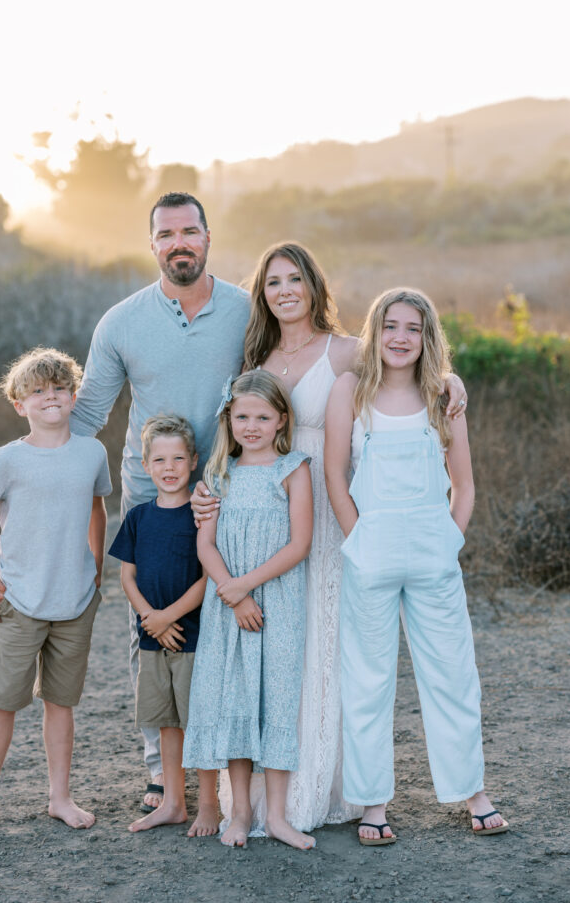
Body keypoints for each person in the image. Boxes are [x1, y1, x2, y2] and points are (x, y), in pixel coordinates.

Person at [192, 243, 468, 835]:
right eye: (273, 282)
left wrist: (452, 377)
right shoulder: (255, 354)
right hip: (273, 510)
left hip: (339, 509)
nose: (285, 290)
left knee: (329, 646)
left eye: (296, 279)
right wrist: (206, 490)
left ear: (316, 286)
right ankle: (271, 797)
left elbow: (409, 360)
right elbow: (239, 429)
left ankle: (332, 787)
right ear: (263, 294)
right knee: (277, 644)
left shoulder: (347, 350)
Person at [69, 191, 250, 811]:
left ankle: (222, 766)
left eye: (189, 231)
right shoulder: (121, 322)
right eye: (166, 234)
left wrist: (427, 375)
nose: (179, 243)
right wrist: (29, 452)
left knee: (227, 621)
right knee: (152, 629)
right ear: (152, 245)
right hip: (153, 501)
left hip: (233, 492)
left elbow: (300, 367)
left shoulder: (246, 312)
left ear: (207, 236)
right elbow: (90, 412)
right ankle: (159, 770)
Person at [324, 288, 509, 844]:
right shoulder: (350, 391)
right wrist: (359, 538)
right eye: (391, 326)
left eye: (414, 328)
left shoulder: (442, 397)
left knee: (452, 674)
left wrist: (448, 539)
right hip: (370, 551)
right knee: (368, 679)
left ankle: (472, 791)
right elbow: (335, 474)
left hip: (433, 553)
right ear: (374, 332)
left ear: (428, 338)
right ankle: (374, 802)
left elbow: (466, 482)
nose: (401, 338)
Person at [0, 348, 111, 839]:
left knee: (60, 703)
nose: (50, 397)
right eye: (37, 391)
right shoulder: (7, 460)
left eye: (59, 389)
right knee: (2, 701)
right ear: (19, 403)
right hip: (20, 601)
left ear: (73, 395)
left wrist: (96, 564)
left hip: (76, 601)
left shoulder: (92, 451)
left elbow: (97, 509)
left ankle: (59, 797)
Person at [183, 371, 316, 851]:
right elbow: (205, 544)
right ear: (229, 419)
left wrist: (247, 587)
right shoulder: (219, 474)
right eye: (242, 416)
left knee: (277, 698)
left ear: (282, 420)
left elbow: (299, 544)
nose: (252, 426)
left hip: (276, 602)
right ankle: (239, 813)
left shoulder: (294, 468)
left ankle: (277, 817)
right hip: (228, 607)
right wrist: (233, 594)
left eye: (263, 416)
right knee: (236, 699)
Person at [110, 414, 219, 837]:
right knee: (167, 722)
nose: (169, 467)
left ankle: (208, 804)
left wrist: (168, 616)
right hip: (154, 639)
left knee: (199, 721)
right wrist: (150, 620)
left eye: (178, 458)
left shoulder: (201, 514)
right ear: (145, 464)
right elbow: (126, 577)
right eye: (160, 459)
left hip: (192, 638)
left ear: (193, 461)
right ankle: (174, 802)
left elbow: (208, 578)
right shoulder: (138, 517)